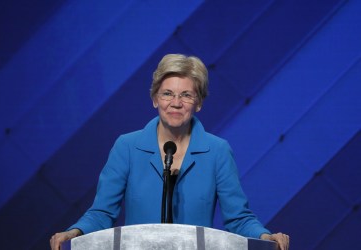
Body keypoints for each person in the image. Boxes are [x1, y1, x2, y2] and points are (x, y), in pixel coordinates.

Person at [50, 54, 290, 249]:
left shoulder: (217, 151)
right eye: (167, 94)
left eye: (186, 95)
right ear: (155, 99)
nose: (176, 103)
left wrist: (265, 237)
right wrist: (75, 232)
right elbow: (102, 213)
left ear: (199, 102)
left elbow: (238, 218)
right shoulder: (127, 147)